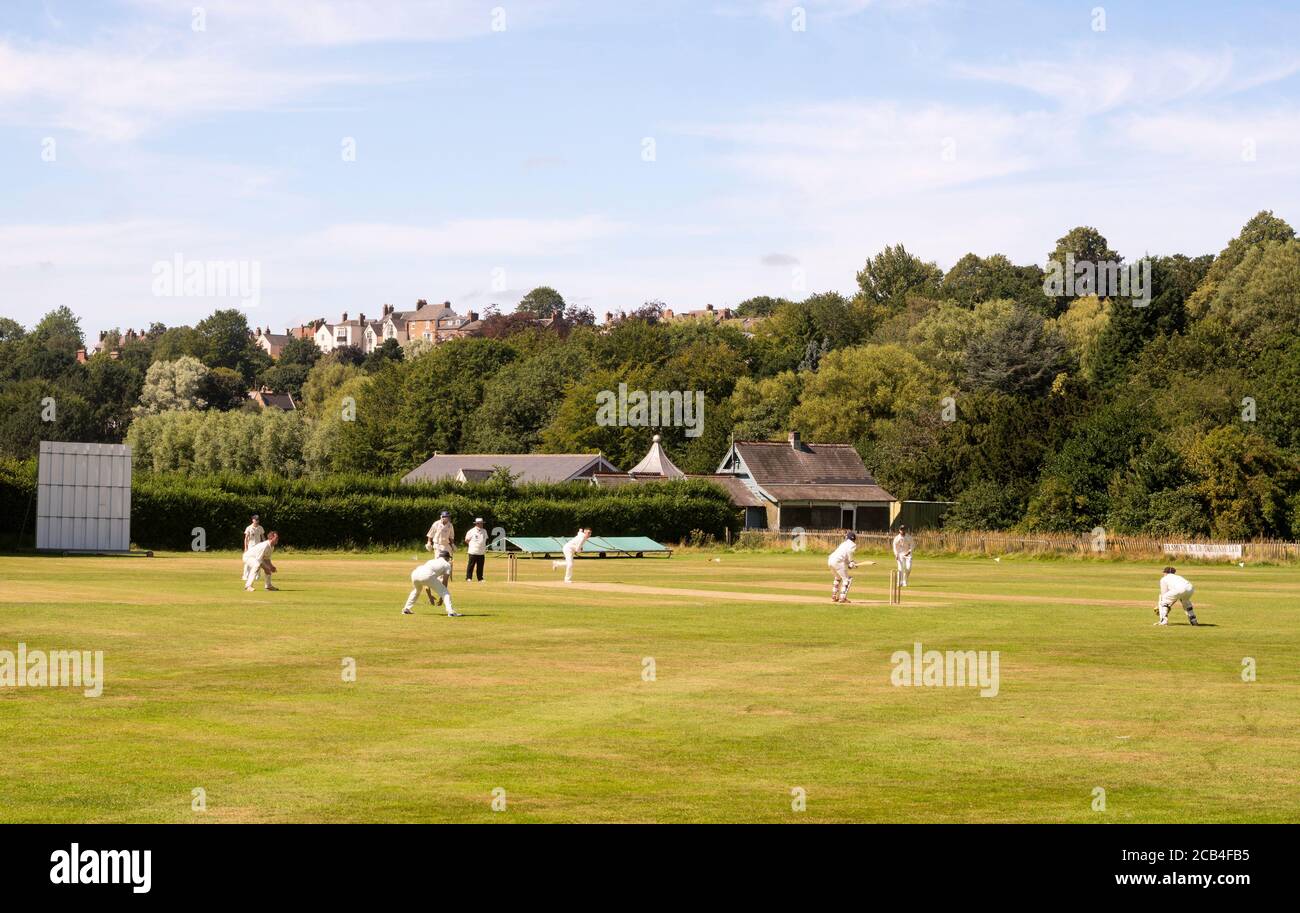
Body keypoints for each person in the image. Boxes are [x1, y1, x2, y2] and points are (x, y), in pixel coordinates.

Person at [827, 531, 858, 603]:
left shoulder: (843, 544)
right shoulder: (852, 544)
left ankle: (834, 597)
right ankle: (842, 597)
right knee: (847, 579)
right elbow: (849, 553)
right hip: (837, 562)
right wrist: (851, 562)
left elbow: (844, 556)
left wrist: (850, 564)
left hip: (830, 560)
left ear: (847, 537)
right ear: (854, 539)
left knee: (838, 578)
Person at [241, 514, 265, 582]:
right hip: (250, 547)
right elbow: (246, 538)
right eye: (255, 519)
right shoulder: (248, 528)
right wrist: (245, 548)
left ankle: (257, 576)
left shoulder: (260, 528)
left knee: (258, 561)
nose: (257, 521)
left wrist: (265, 545)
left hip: (258, 547)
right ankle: (245, 576)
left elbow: (263, 537)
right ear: (253, 520)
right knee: (248, 562)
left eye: (258, 519)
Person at [464, 518, 488, 582]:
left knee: (480, 566)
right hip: (473, 551)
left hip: (481, 552)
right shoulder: (471, 531)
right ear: (477, 524)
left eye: (482, 523)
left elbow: (485, 539)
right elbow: (466, 540)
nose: (482, 524)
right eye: (481, 523)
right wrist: (473, 545)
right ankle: (468, 578)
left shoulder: (484, 531)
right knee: (471, 565)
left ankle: (480, 578)